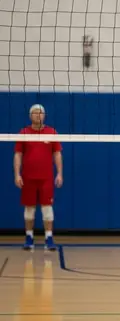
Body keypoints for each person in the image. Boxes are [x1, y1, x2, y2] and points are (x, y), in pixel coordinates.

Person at [14, 104, 63, 251]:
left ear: (44, 115)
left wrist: (60, 173)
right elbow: (18, 154)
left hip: (46, 178)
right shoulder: (23, 132)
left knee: (47, 208)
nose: (38, 115)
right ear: (30, 116)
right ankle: (29, 237)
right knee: (29, 208)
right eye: (35, 113)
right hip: (28, 177)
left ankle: (49, 237)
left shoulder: (51, 132)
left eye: (41, 113)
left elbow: (57, 154)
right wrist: (17, 174)